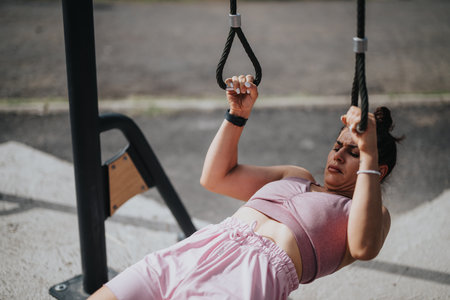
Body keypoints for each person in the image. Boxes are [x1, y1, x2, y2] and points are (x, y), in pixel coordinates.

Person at [89, 75, 402, 300]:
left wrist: (370, 150)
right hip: (196, 250)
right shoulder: (296, 175)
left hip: (248, 278)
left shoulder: (373, 215)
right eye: (337, 146)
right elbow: (215, 177)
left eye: (354, 152)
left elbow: (363, 247)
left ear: (377, 169)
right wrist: (237, 116)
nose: (338, 155)